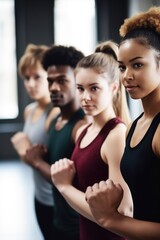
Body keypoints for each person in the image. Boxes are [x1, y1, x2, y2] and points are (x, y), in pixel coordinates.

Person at [85, 6, 160, 240]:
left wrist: (111, 219)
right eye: (122, 66)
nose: (126, 75)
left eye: (137, 65)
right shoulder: (136, 125)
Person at [50, 41, 133, 240]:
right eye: (80, 89)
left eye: (94, 88)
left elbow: (122, 212)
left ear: (114, 88)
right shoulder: (86, 130)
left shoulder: (115, 135)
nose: (85, 97)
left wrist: (64, 187)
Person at [23, 45, 89, 240]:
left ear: (78, 81)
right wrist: (42, 154)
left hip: (74, 228)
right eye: (50, 81)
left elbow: (73, 183)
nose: (53, 88)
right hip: (56, 220)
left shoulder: (81, 127)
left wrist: (36, 162)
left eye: (62, 81)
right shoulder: (55, 121)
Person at [10, 44, 60, 240]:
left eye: (37, 77)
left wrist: (23, 149)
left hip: (55, 202)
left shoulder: (56, 113)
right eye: (26, 78)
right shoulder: (29, 110)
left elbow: (42, 161)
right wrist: (27, 154)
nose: (30, 84)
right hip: (38, 196)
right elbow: (30, 159)